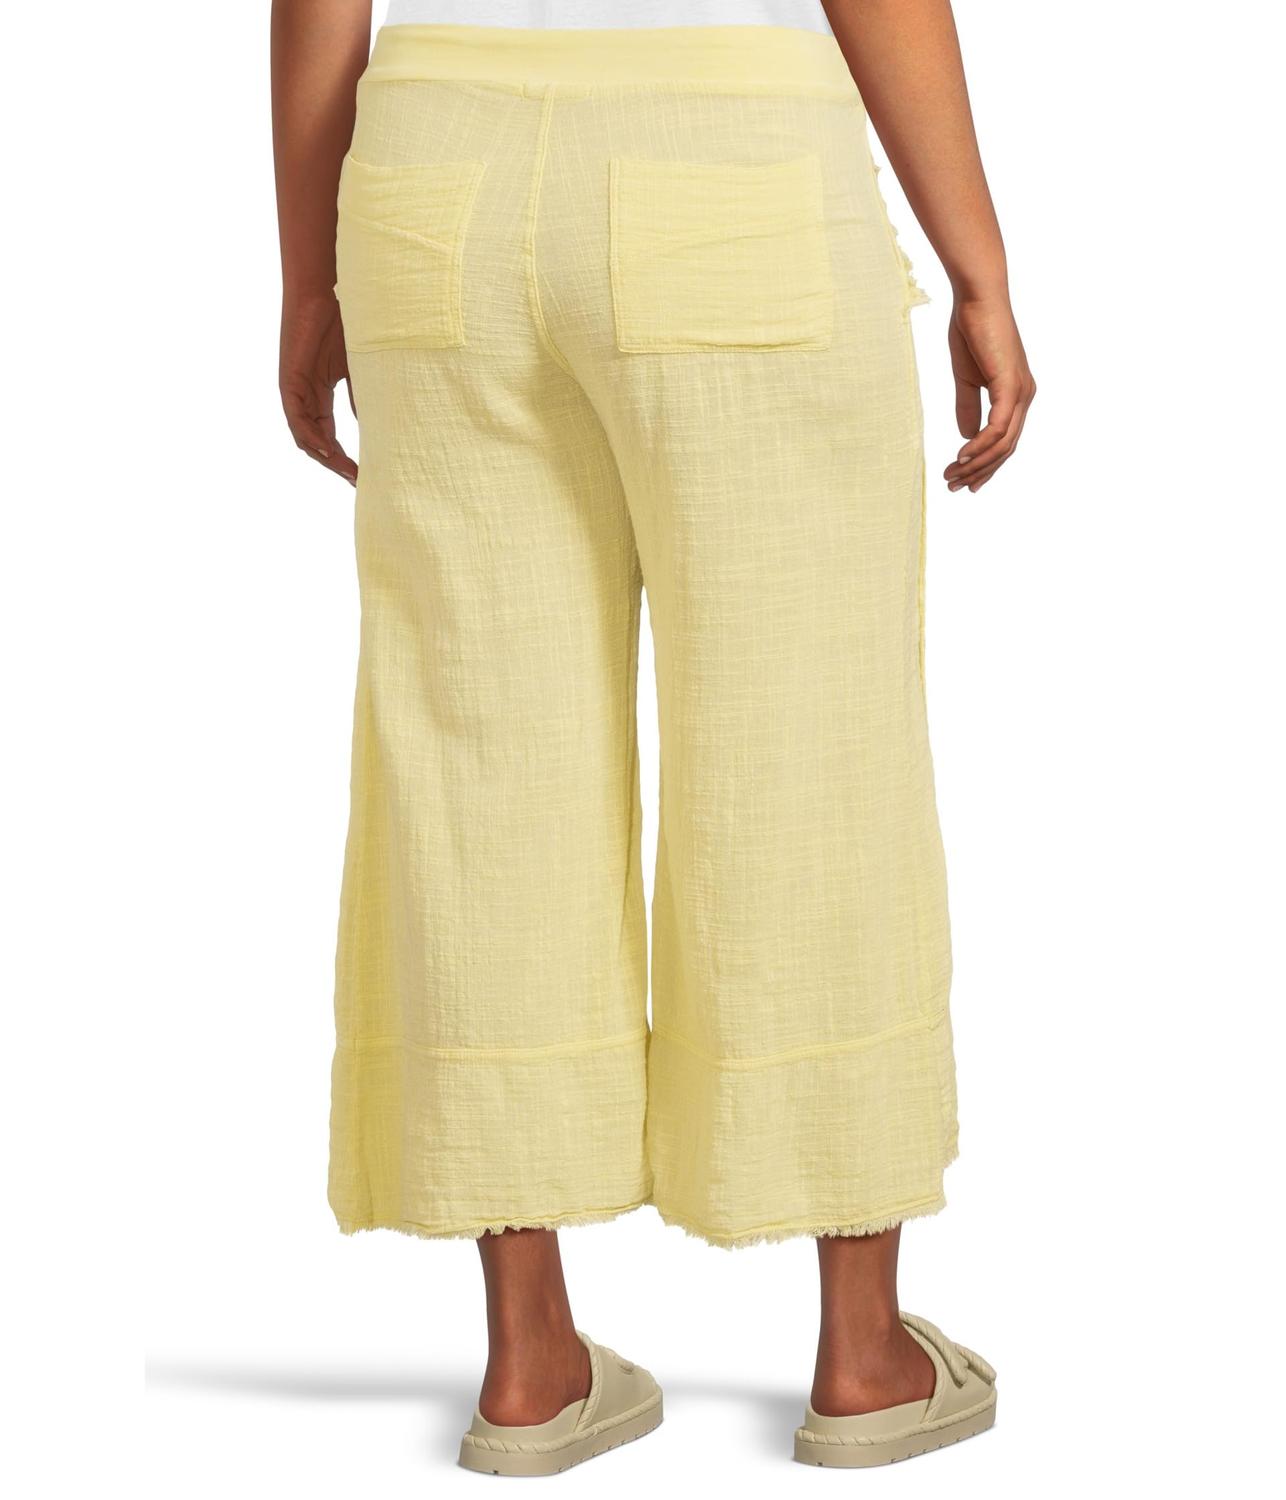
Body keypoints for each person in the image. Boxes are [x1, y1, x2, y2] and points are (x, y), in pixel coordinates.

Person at [272, 0, 1034, 1474]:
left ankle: (530, 1365)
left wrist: (311, 273)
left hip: (433, 173)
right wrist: (977, 268)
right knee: (808, 748)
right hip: (731, 157)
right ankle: (863, 1358)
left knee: (479, 760)